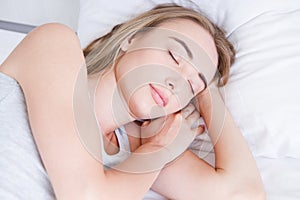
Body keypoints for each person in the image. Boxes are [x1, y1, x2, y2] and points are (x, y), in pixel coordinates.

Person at [0, 4, 265, 200]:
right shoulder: (56, 45)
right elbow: (84, 194)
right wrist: (160, 150)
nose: (177, 82)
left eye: (192, 85)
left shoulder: (137, 149)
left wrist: (209, 95)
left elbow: (244, 194)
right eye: (174, 56)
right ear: (131, 38)